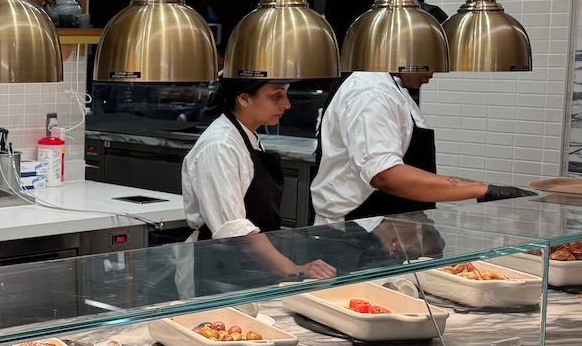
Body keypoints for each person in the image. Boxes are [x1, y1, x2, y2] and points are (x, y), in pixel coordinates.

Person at [311, 71, 528, 223]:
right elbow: (384, 174)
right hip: (354, 236)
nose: (438, 70)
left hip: (386, 230)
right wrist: (483, 190)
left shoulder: (394, 89)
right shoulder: (370, 92)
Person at [180, 77, 337, 285]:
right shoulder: (219, 146)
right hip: (217, 272)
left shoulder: (245, 136)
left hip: (247, 267)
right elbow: (237, 233)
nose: (287, 104)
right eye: (276, 95)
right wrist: (294, 270)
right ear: (244, 98)